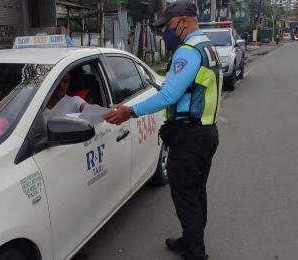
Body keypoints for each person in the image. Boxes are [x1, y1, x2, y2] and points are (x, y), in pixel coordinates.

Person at [104, 1, 222, 259]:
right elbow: (191, 89)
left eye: (168, 25)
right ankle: (191, 239)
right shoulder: (207, 47)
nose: (165, 32)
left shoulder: (187, 51)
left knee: (186, 196)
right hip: (205, 132)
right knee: (197, 191)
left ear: (183, 21)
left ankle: (195, 253)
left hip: (189, 137)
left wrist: (130, 111)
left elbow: (170, 95)